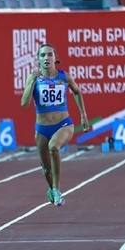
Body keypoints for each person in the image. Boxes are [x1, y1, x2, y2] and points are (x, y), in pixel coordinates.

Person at [20, 43, 89, 207]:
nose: (46, 58)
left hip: (63, 124)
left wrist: (83, 115)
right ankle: (52, 188)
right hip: (42, 129)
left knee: (54, 148)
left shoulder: (64, 77)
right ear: (37, 59)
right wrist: (31, 83)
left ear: (55, 58)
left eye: (49, 54)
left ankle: (57, 189)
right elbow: (24, 104)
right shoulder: (33, 78)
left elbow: (77, 92)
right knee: (46, 168)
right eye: (42, 55)